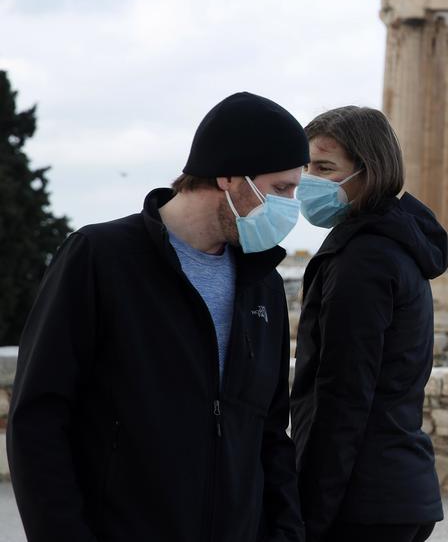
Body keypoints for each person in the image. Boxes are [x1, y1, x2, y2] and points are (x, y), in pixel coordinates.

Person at [8, 92, 307, 542]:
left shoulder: (262, 283)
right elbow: (38, 419)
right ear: (228, 175)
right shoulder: (100, 258)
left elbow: (268, 431)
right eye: (281, 189)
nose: (290, 205)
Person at [291, 106, 448, 542]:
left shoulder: (363, 259)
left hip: (361, 498)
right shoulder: (395, 246)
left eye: (325, 168)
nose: (308, 181)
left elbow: (343, 394)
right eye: (306, 167)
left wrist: (310, 513)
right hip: (397, 485)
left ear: (369, 170)